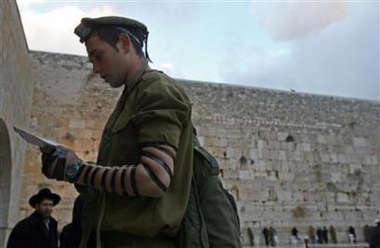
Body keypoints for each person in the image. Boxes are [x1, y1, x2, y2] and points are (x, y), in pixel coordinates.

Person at [40, 16, 194, 248]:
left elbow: (153, 179)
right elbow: (119, 179)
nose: (95, 69)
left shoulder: (157, 91)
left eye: (98, 56)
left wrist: (78, 171)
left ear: (124, 43)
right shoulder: (131, 97)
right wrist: (69, 167)